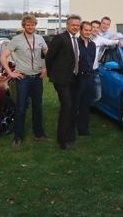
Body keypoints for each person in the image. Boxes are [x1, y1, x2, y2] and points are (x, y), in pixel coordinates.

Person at [0, 15, 49, 148]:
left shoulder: (39, 39)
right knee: (21, 108)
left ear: (35, 25)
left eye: (33, 24)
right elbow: (3, 57)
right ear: (24, 26)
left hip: (37, 78)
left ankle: (39, 134)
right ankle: (18, 137)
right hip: (23, 78)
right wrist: (10, 73)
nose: (30, 27)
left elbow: (48, 53)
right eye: (28, 24)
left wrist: (46, 68)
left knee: (37, 107)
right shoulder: (16, 40)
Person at [45, 14, 81, 150]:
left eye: (77, 25)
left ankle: (70, 136)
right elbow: (49, 58)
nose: (75, 27)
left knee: (70, 108)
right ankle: (63, 141)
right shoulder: (60, 38)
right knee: (67, 107)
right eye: (73, 25)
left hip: (73, 78)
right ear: (67, 25)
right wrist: (52, 74)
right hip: (61, 80)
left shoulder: (76, 40)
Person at [90, 20, 123, 102]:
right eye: (93, 27)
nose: (95, 29)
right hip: (85, 71)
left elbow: (118, 36)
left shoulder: (100, 39)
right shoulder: (86, 39)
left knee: (97, 95)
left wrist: (118, 41)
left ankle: (87, 106)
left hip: (96, 69)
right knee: (83, 92)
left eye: (97, 27)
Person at [74, 21, 97, 137]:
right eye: (86, 30)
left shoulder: (92, 45)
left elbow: (92, 59)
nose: (88, 32)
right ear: (80, 31)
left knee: (86, 105)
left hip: (89, 77)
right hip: (78, 78)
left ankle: (83, 129)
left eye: (89, 30)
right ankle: (70, 130)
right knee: (75, 105)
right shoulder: (76, 44)